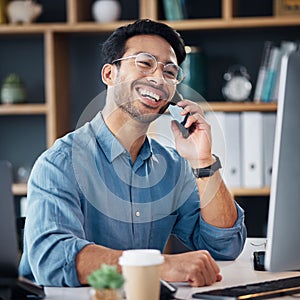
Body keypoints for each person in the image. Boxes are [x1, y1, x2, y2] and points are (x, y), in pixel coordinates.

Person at [19, 19, 246, 288]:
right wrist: (160, 265)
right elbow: (53, 260)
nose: (158, 78)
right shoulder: (58, 164)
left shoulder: (173, 166)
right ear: (109, 75)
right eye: (145, 63)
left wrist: (202, 161)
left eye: (170, 72)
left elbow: (225, 245)